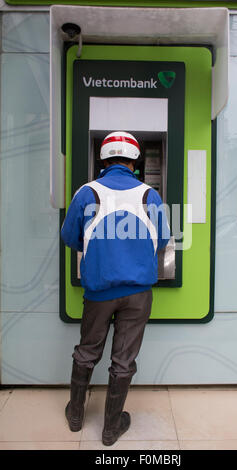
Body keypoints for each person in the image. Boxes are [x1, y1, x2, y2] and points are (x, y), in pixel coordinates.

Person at [61, 131, 170, 446]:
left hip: (99, 291)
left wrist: (100, 247)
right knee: (124, 359)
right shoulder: (151, 195)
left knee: (87, 351)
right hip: (138, 294)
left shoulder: (87, 192)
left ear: (103, 158)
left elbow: (70, 237)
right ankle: (111, 429)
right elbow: (161, 239)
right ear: (135, 160)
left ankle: (75, 416)